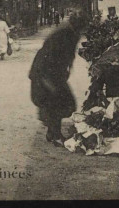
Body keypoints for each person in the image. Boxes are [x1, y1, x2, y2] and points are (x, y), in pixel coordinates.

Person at [29, 12, 88, 146]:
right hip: (46, 73)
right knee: (58, 101)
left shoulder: (70, 33)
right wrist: (49, 80)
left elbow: (68, 56)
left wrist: (66, 70)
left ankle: (52, 132)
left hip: (52, 73)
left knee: (60, 102)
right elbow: (51, 56)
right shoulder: (64, 34)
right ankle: (55, 134)